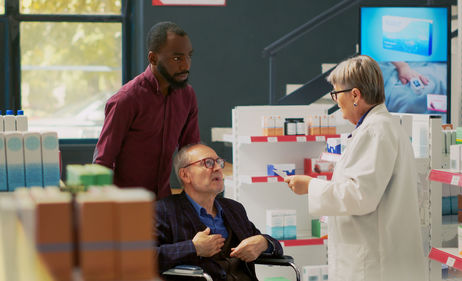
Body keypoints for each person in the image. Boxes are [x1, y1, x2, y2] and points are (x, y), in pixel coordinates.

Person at [285, 55, 425, 281]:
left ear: (355, 95)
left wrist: (311, 186)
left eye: (336, 94)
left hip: (373, 265)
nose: (335, 101)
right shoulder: (386, 127)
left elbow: (360, 196)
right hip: (386, 255)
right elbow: (412, 191)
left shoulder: (375, 131)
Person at [93, 21, 200, 199]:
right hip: (126, 205)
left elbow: (191, 152)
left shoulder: (187, 95)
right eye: (177, 58)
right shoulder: (126, 100)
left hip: (165, 203)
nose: (186, 65)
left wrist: (191, 202)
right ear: (153, 58)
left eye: (189, 56)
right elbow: (102, 162)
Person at [155, 143, 283, 281]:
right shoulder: (163, 211)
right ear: (185, 175)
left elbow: (276, 248)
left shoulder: (234, 209)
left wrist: (263, 243)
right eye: (208, 163)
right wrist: (193, 248)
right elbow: (142, 259)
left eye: (219, 162)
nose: (217, 168)